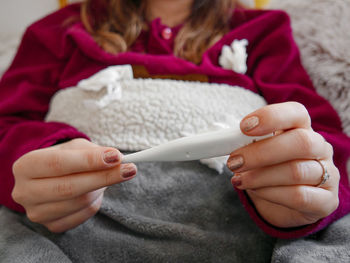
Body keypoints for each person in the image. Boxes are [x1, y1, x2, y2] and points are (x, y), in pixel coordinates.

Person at [0, 0, 350, 248]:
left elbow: (320, 141)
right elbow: (7, 126)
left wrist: (304, 195)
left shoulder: (263, 30)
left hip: (242, 226)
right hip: (69, 231)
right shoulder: (57, 30)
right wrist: (47, 158)